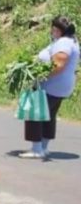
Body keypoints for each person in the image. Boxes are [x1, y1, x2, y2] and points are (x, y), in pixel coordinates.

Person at [20, 16, 79, 159]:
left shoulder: (63, 43)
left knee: (36, 113)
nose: (51, 31)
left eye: (52, 28)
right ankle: (43, 147)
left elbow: (58, 64)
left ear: (57, 29)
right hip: (60, 86)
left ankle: (37, 149)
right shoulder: (71, 41)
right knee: (49, 115)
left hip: (52, 85)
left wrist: (39, 76)